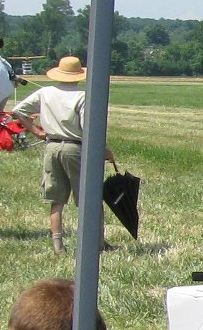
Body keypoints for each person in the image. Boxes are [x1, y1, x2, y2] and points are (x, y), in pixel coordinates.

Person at [9, 55, 120, 253]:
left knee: (57, 200)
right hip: (76, 148)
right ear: (79, 75)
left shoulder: (45, 92)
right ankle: (98, 243)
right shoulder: (83, 96)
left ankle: (58, 245)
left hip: (52, 147)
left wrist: (35, 130)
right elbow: (89, 131)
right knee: (91, 199)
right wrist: (104, 151)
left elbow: (17, 111)